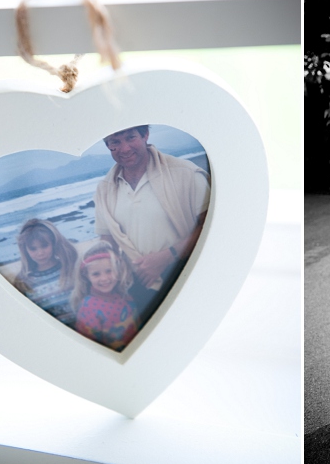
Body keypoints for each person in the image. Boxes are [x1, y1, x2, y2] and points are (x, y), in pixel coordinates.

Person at [94, 125, 210, 328]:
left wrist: (168, 256)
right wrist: (114, 280)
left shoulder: (185, 173)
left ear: (145, 135)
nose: (124, 148)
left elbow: (210, 226)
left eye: (131, 138)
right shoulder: (104, 189)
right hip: (139, 286)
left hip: (186, 276)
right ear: (107, 145)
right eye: (115, 142)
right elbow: (107, 239)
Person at [72, 242, 139, 352]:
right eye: (96, 274)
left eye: (109, 271)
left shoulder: (124, 295)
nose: (104, 278)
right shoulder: (88, 307)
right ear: (86, 276)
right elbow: (90, 347)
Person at [13, 218, 79, 327]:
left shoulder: (71, 268)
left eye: (44, 246)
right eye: (33, 249)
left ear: (54, 243)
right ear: (25, 250)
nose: (40, 253)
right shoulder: (23, 282)